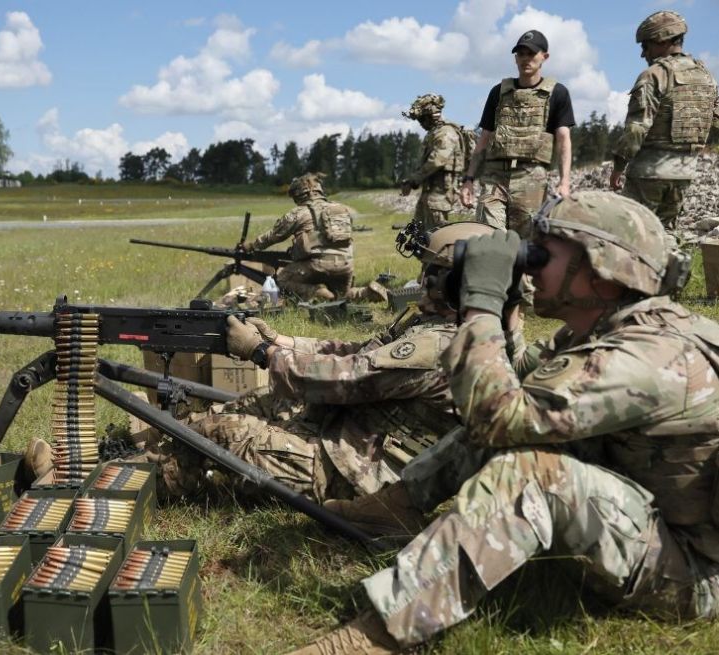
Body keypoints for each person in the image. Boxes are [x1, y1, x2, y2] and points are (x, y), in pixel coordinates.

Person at [286, 191, 719, 655]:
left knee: (534, 474)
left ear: (604, 274)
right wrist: (507, 309)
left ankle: (383, 634)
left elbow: (497, 415)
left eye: (544, 255)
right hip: (648, 516)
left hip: (689, 575)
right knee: (516, 420)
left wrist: (482, 305)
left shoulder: (648, 359)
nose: (530, 266)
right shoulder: (610, 329)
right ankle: (395, 509)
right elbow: (508, 381)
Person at [123, 222, 501, 506]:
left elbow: (348, 378)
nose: (422, 280)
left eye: (432, 273)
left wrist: (261, 352)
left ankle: (131, 487)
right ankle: (161, 455)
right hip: (351, 431)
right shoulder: (441, 325)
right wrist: (278, 340)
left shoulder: (440, 343)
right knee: (258, 402)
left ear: (459, 283)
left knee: (221, 433)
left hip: (353, 471)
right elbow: (354, 351)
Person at [610, 10, 719, 232]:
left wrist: (618, 167)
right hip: (684, 173)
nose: (643, 53)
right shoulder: (706, 76)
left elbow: (636, 129)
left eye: (646, 45)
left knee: (633, 235)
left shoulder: (654, 75)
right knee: (666, 235)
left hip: (648, 174)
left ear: (662, 40)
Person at [460, 30, 575, 236]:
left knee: (526, 245)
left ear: (544, 57)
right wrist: (468, 179)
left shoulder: (558, 93)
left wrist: (564, 182)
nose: (525, 59)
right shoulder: (499, 92)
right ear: (515, 58)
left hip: (531, 178)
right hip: (494, 176)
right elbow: (484, 139)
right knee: (489, 238)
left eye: (531, 54)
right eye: (521, 54)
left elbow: (563, 140)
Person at [243, 173, 355, 302]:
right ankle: (365, 293)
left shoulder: (298, 213)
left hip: (317, 266)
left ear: (299, 195)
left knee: (281, 281)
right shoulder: (342, 209)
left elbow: (273, 236)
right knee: (342, 298)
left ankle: (318, 292)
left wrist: (251, 246)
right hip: (346, 267)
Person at [401, 94, 467, 231]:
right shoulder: (434, 133)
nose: (421, 123)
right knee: (420, 232)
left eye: (422, 120)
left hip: (439, 193)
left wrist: (414, 180)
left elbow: (437, 160)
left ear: (430, 116)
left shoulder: (446, 133)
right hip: (430, 190)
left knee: (436, 235)